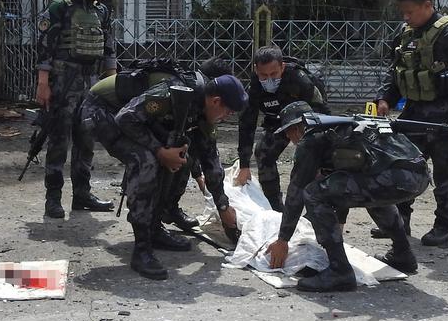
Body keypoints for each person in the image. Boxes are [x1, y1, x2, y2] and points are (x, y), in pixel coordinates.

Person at [264, 102, 429, 293]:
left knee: (313, 194)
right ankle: (403, 254)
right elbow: (344, 183)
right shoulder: (342, 126)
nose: (288, 138)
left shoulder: (311, 139)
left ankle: (339, 271)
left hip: (394, 179)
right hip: (419, 175)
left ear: (296, 128)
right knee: (369, 191)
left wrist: (282, 240)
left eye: (288, 132)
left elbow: (296, 192)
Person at [114, 75, 248, 279]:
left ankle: (155, 227)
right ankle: (141, 249)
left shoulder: (204, 113)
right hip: (104, 113)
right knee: (147, 161)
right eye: (227, 112)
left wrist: (223, 207)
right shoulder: (173, 92)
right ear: (215, 101)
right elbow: (124, 118)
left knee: (183, 156)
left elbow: (211, 161)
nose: (226, 117)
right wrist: (159, 151)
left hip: (135, 122)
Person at [375, 0, 448, 248]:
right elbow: (395, 71)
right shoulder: (406, 34)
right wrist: (385, 98)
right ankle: (399, 222)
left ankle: (443, 228)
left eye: (410, 12)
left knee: (446, 173)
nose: (406, 17)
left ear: (427, 5)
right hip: (413, 113)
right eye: (403, 12)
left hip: (446, 116)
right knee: (401, 166)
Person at [80, 58, 230, 230]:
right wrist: (159, 151)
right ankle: (146, 227)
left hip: (132, 116)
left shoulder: (201, 99)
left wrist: (221, 204)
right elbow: (127, 118)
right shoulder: (177, 88)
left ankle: (166, 210)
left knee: (180, 151)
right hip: (102, 109)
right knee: (149, 158)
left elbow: (202, 147)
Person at [35, 0, 118, 219]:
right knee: (59, 140)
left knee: (87, 140)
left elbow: (108, 48)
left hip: (90, 85)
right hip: (63, 83)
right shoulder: (61, 7)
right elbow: (44, 46)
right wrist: (43, 84)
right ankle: (53, 198)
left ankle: (82, 195)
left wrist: (112, 83)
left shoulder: (101, 12)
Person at [233, 46, 330, 210]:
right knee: (263, 152)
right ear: (256, 70)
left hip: (305, 122)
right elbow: (246, 124)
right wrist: (244, 165)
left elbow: (322, 111)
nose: (269, 80)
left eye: (273, 74)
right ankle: (275, 208)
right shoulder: (254, 87)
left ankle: (317, 208)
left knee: (309, 163)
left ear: (282, 67)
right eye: (264, 75)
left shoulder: (300, 80)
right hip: (277, 122)